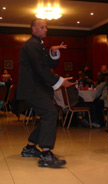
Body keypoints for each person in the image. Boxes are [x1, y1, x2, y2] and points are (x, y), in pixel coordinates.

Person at [17, 18, 75, 168]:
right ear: (34, 29)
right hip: (32, 88)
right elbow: (41, 69)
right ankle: (46, 154)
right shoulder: (31, 45)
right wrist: (61, 81)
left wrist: (53, 52)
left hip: (36, 88)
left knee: (47, 115)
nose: (45, 29)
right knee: (50, 114)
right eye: (42, 27)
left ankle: (30, 148)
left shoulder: (38, 46)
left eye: (46, 27)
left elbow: (48, 65)